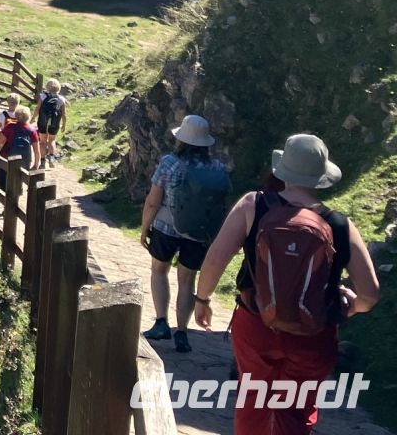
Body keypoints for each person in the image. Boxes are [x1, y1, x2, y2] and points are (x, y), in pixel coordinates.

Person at [195, 133, 379, 434]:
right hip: (314, 331)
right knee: (297, 407)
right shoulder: (340, 224)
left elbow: (215, 259)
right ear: (321, 177)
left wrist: (202, 300)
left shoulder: (253, 205)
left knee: (253, 400)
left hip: (255, 323)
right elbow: (370, 294)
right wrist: (350, 307)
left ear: (283, 170)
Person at [140, 115, 231, 353]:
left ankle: (161, 323)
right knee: (186, 281)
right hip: (198, 233)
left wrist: (144, 228)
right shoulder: (217, 168)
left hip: (165, 227)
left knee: (159, 271)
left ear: (182, 139)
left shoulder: (169, 162)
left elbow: (153, 200)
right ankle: (182, 332)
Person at [0, 104, 39, 191]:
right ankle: (17, 190)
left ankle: (6, 193)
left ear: (16, 116)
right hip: (25, 159)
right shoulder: (32, 130)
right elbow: (36, 151)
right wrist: (36, 164)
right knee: (18, 179)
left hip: (7, 157)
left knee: (3, 181)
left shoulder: (10, 127)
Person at [36, 78, 67, 165]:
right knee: (52, 140)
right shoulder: (61, 99)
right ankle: (52, 158)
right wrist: (64, 124)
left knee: (42, 141)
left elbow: (37, 109)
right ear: (58, 88)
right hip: (55, 122)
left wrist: (33, 118)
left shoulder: (43, 96)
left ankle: (42, 162)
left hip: (42, 121)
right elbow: (64, 114)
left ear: (47, 87)